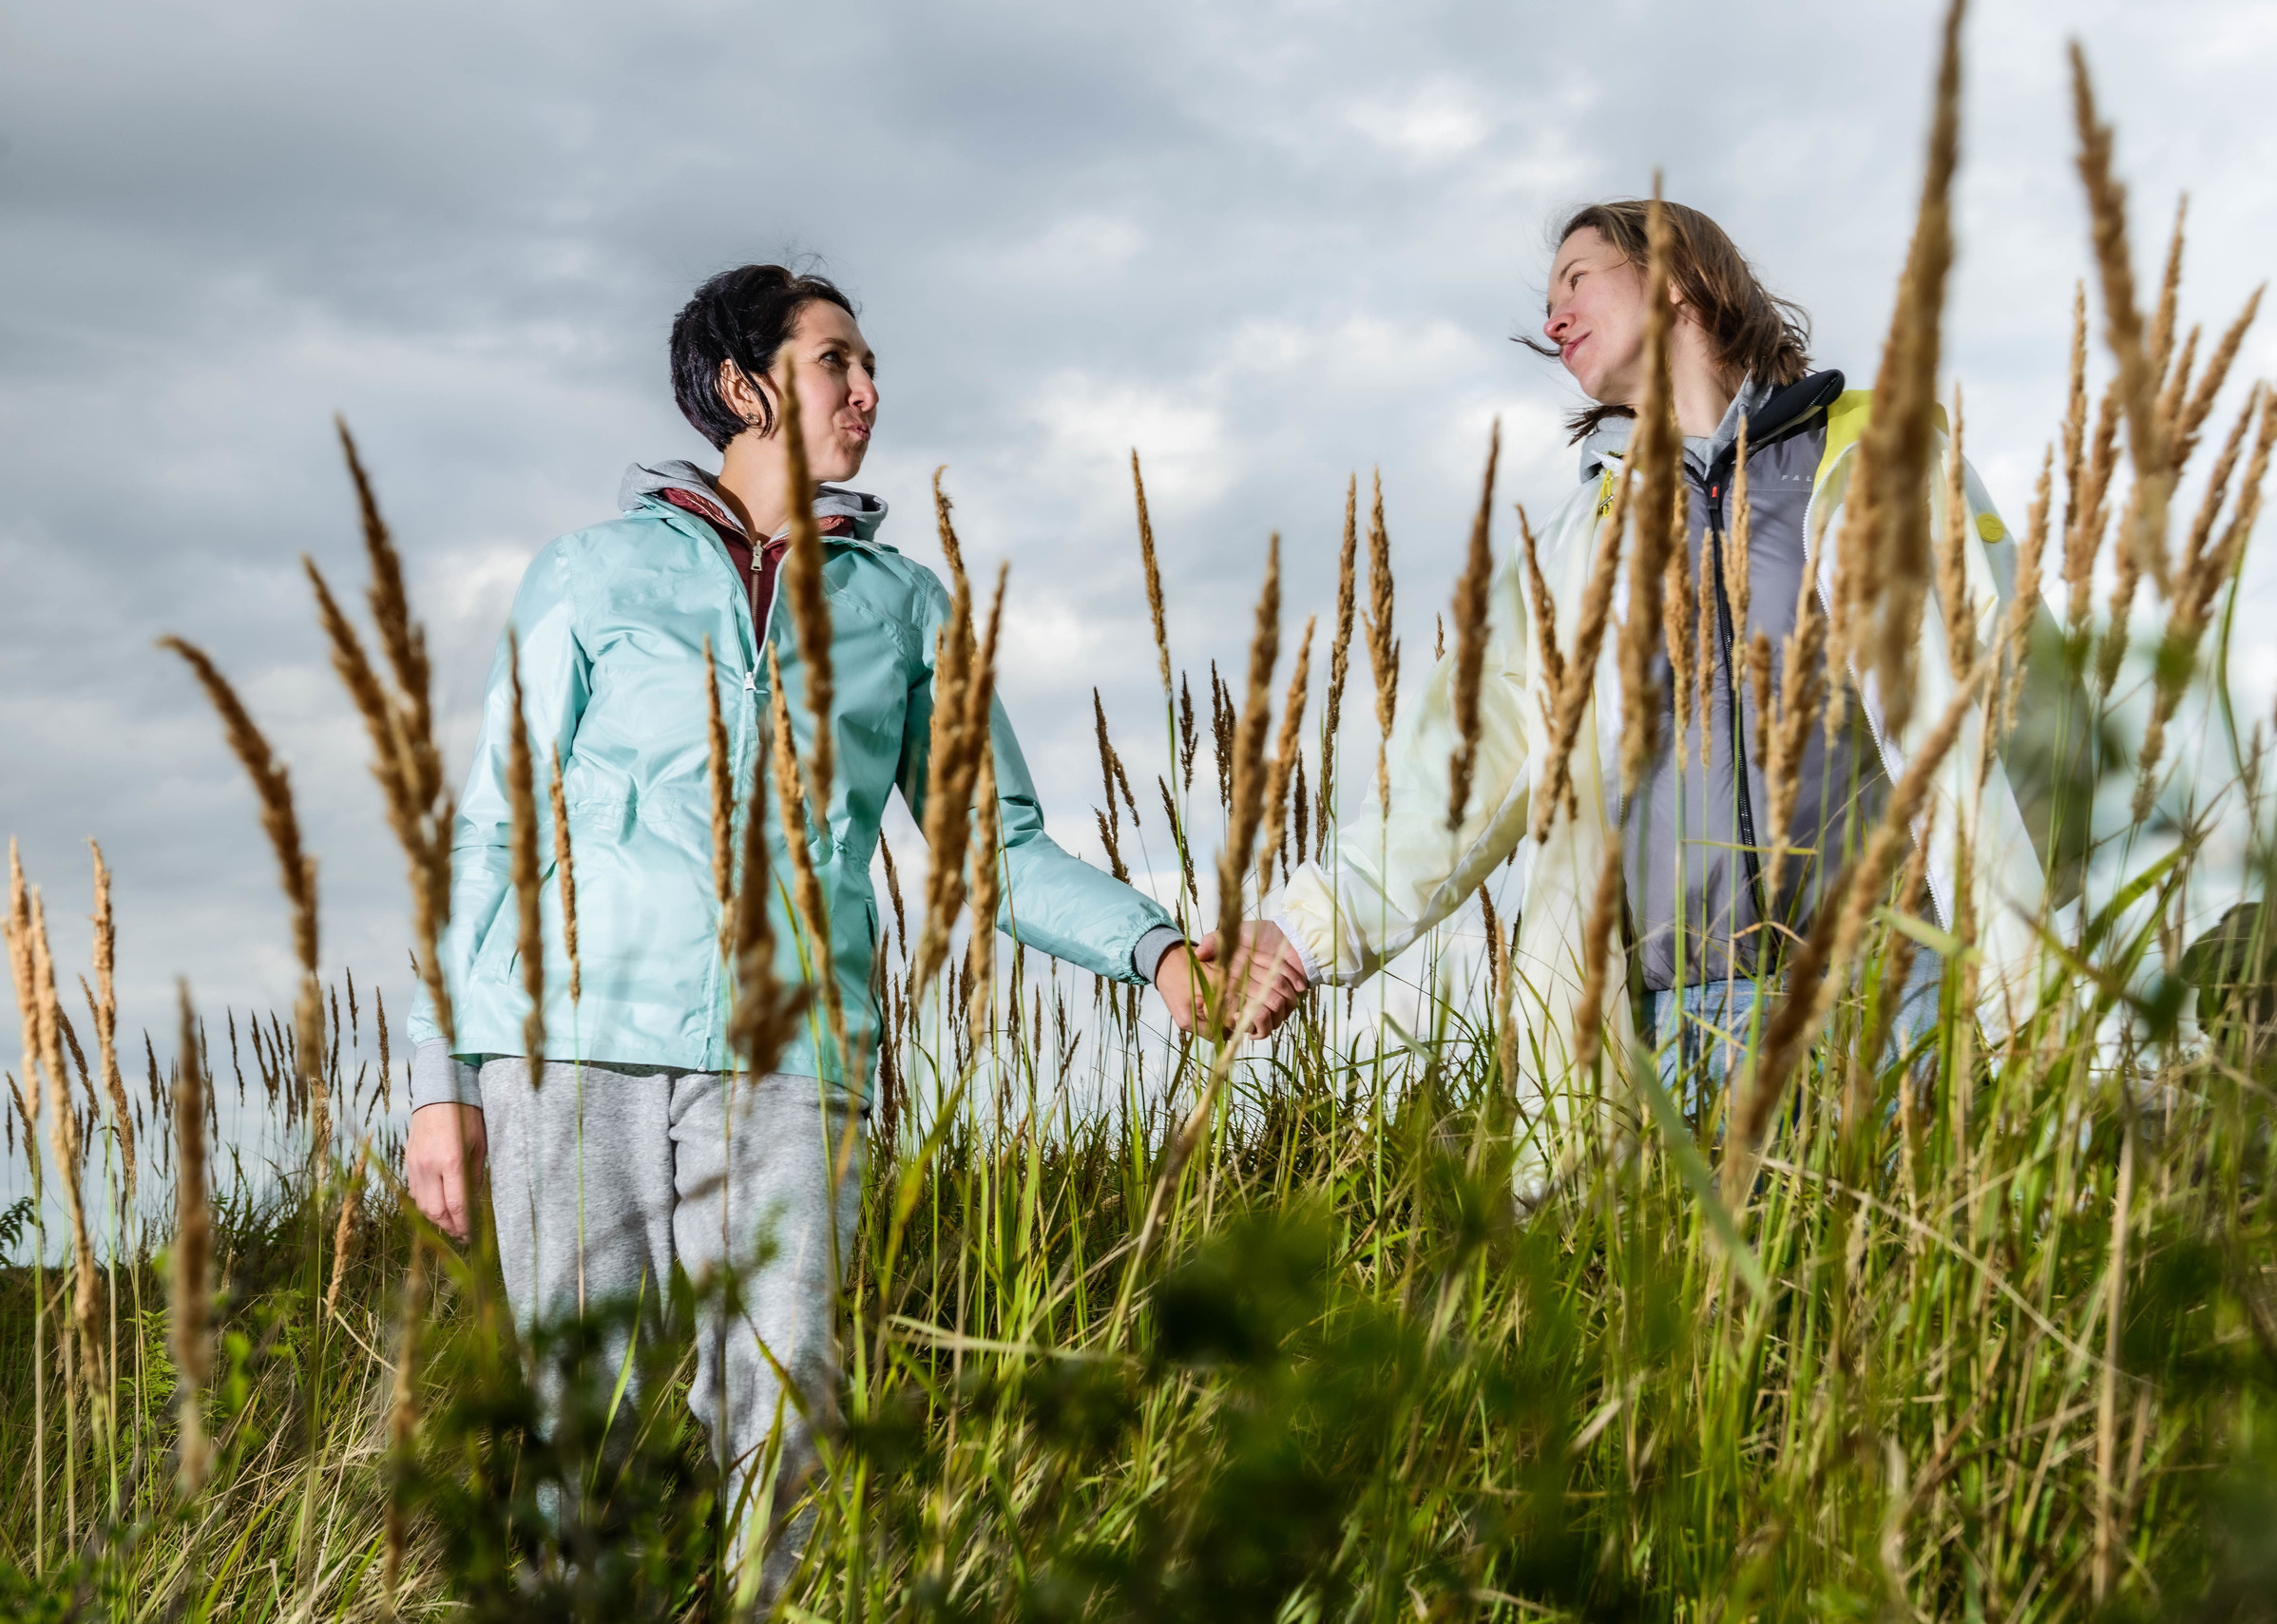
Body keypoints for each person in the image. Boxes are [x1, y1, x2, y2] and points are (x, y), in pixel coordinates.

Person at [399, 263, 1205, 1565]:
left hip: (793, 1059)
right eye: (837, 360)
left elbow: (988, 846)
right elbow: (489, 831)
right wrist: (438, 1077)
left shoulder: (900, 604)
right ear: (741, 386)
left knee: (786, 1420)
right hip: (571, 1047)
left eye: (867, 364)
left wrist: (1154, 947)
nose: (868, 389)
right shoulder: (588, 577)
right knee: (578, 1417)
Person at [1229, 200, 2076, 1194]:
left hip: (1896, 996)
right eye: (1546, 305)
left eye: (1575, 281)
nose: (1552, 320)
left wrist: (2059, 967)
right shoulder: (1578, 546)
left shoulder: (1878, 457)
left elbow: (2028, 700)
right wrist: (1303, 925)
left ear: (1675, 276)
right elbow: (1455, 775)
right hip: (1677, 1034)